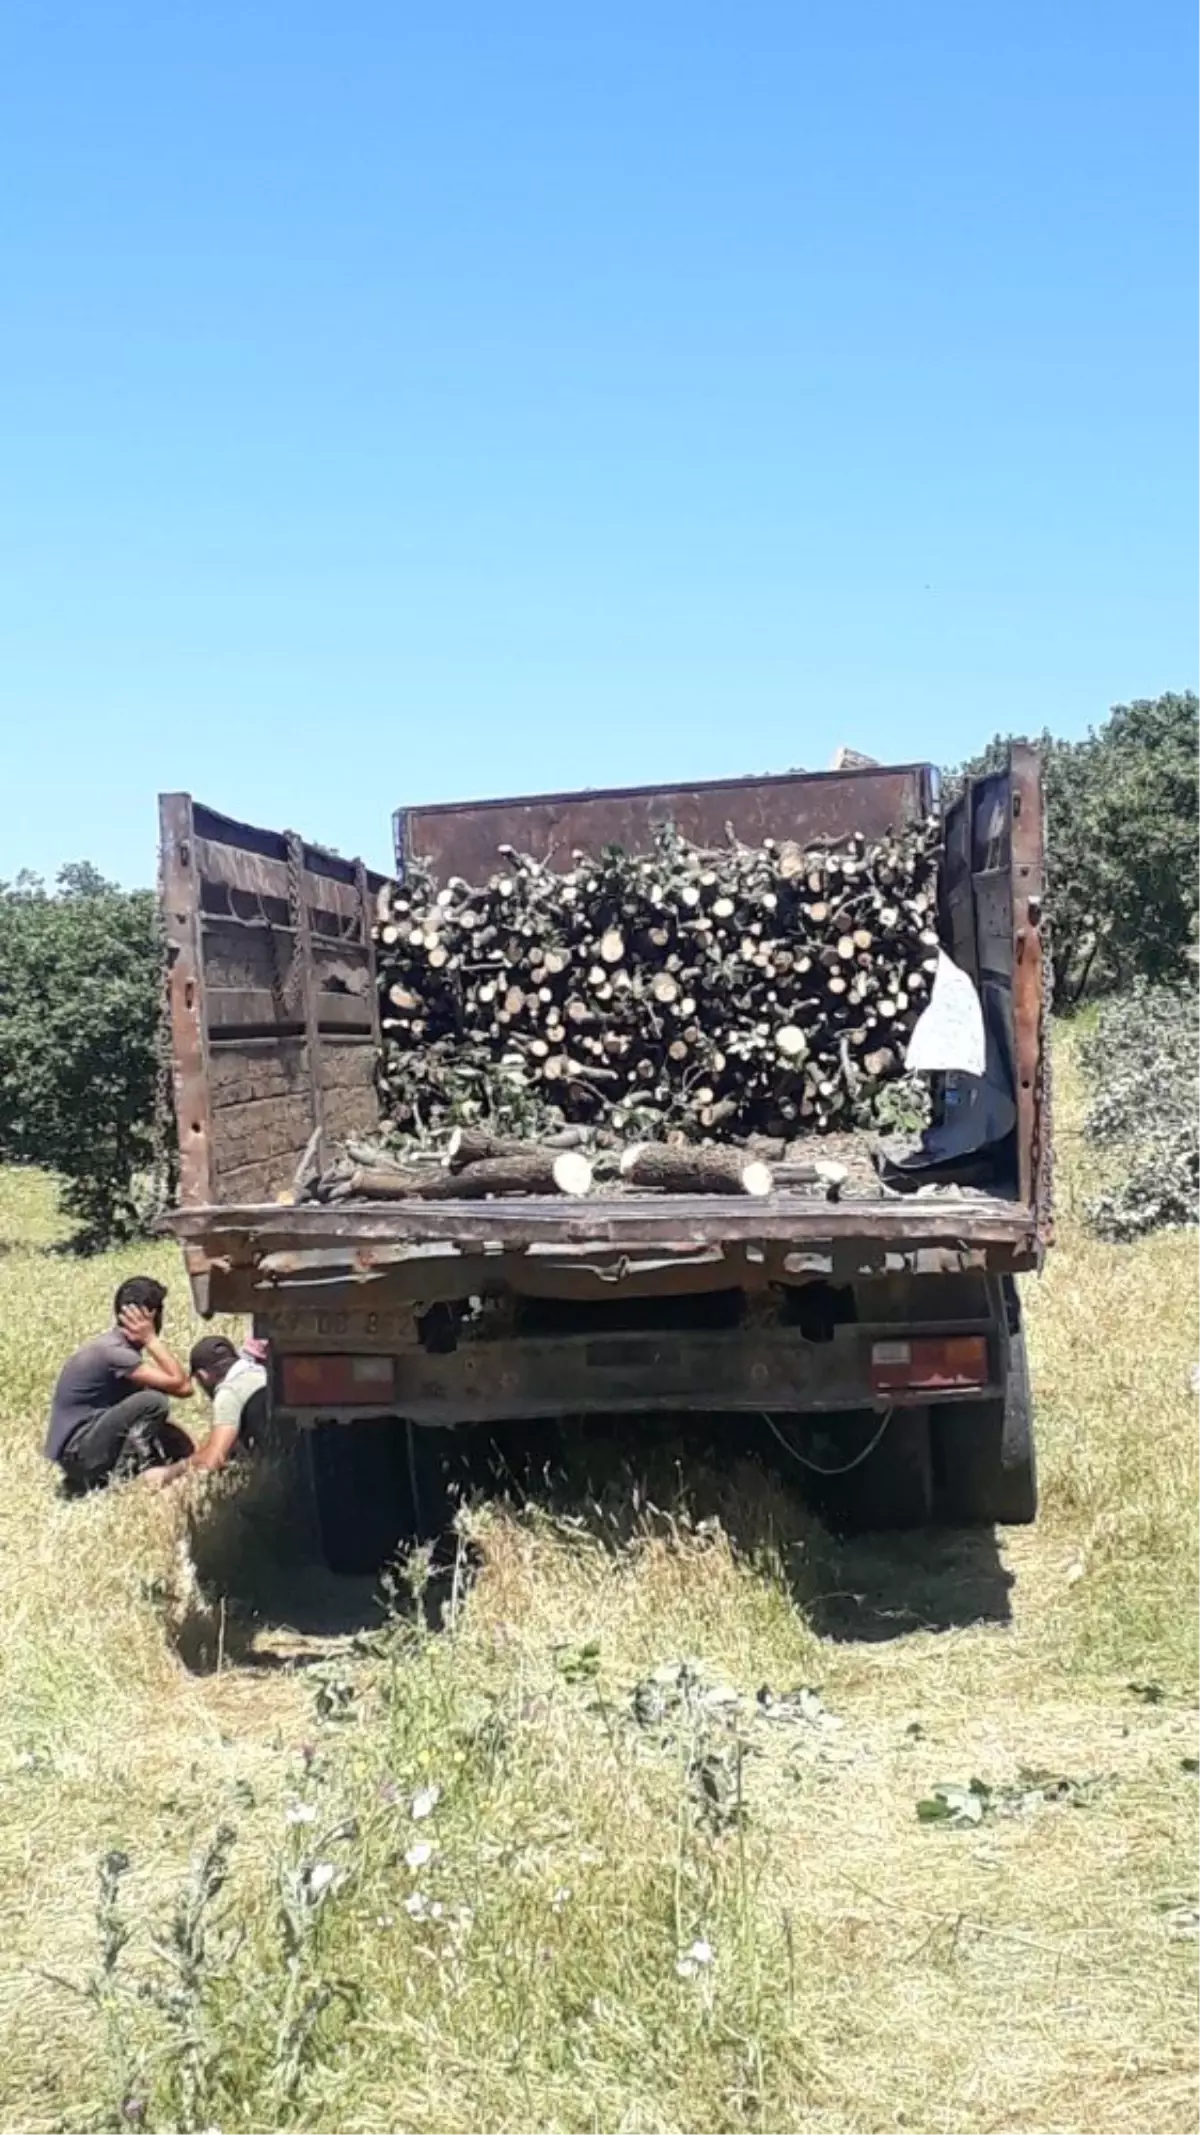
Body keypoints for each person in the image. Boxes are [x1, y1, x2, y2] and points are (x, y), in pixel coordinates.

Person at [45, 1276, 195, 1493]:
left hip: (80, 1449)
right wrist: (151, 1339)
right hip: (79, 1454)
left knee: (149, 1400)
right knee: (153, 1401)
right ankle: (122, 1480)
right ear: (147, 1315)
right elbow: (183, 1387)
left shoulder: (114, 1348)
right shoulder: (115, 1353)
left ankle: (117, 1472)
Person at [141, 1335, 269, 1490]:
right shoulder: (261, 1372)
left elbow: (213, 1460)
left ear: (203, 1375)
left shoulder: (229, 1393)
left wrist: (169, 1473)